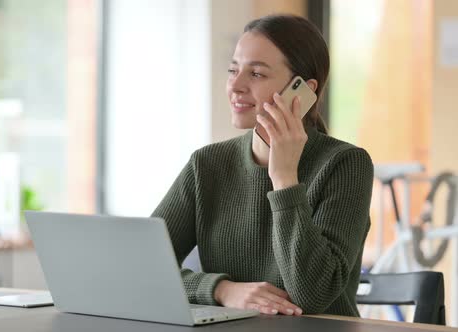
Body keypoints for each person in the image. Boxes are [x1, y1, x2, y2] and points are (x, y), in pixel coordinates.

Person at [151, 14, 374, 317]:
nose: (236, 85)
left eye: (256, 74)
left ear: (303, 91)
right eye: (233, 70)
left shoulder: (346, 165)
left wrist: (284, 178)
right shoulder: (206, 165)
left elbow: (313, 295)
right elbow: (143, 267)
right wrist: (221, 289)